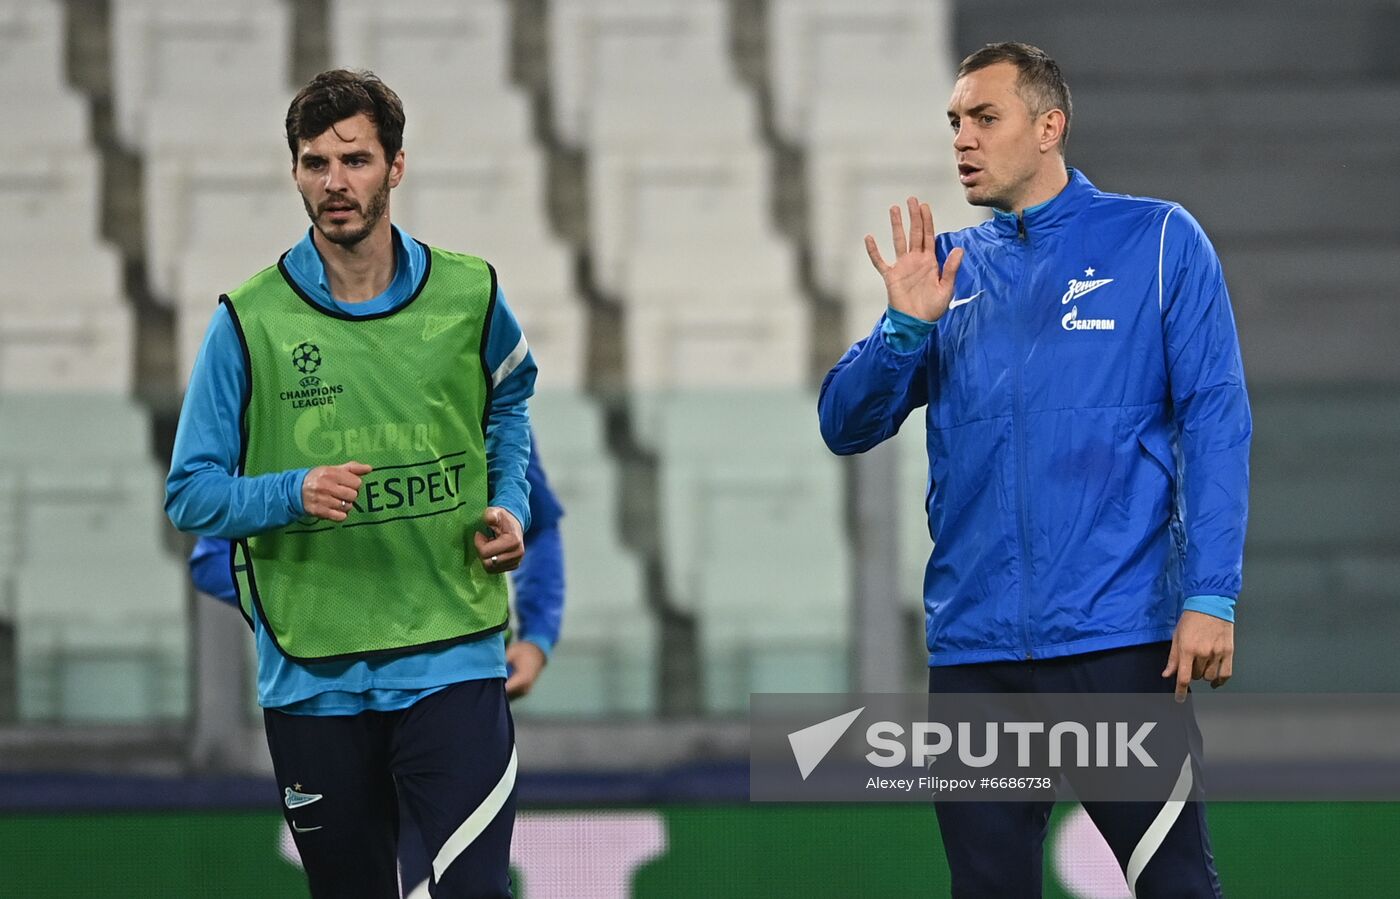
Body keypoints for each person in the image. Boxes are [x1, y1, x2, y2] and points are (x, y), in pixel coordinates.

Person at [818, 43, 1249, 897]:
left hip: (1120, 641)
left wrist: (1210, 593)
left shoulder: (1160, 240)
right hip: (976, 656)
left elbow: (1217, 420)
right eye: (954, 122)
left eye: (985, 118)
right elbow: (844, 424)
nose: (962, 141)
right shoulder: (944, 270)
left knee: (1175, 886)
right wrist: (903, 329)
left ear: (1049, 126)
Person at [166, 69, 536, 898]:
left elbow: (508, 402)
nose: (336, 182)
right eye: (314, 162)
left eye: (356, 159)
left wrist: (508, 501)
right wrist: (289, 492)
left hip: (453, 652)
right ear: (295, 173)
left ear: (395, 166)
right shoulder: (248, 319)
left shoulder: (470, 292)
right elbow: (190, 492)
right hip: (312, 672)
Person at [188, 430, 565, 894]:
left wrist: (538, 635)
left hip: (450, 681)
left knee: (472, 885)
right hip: (329, 694)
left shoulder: (474, 384)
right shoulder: (284, 407)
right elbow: (212, 557)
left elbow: (536, 520)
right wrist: (336, 611)